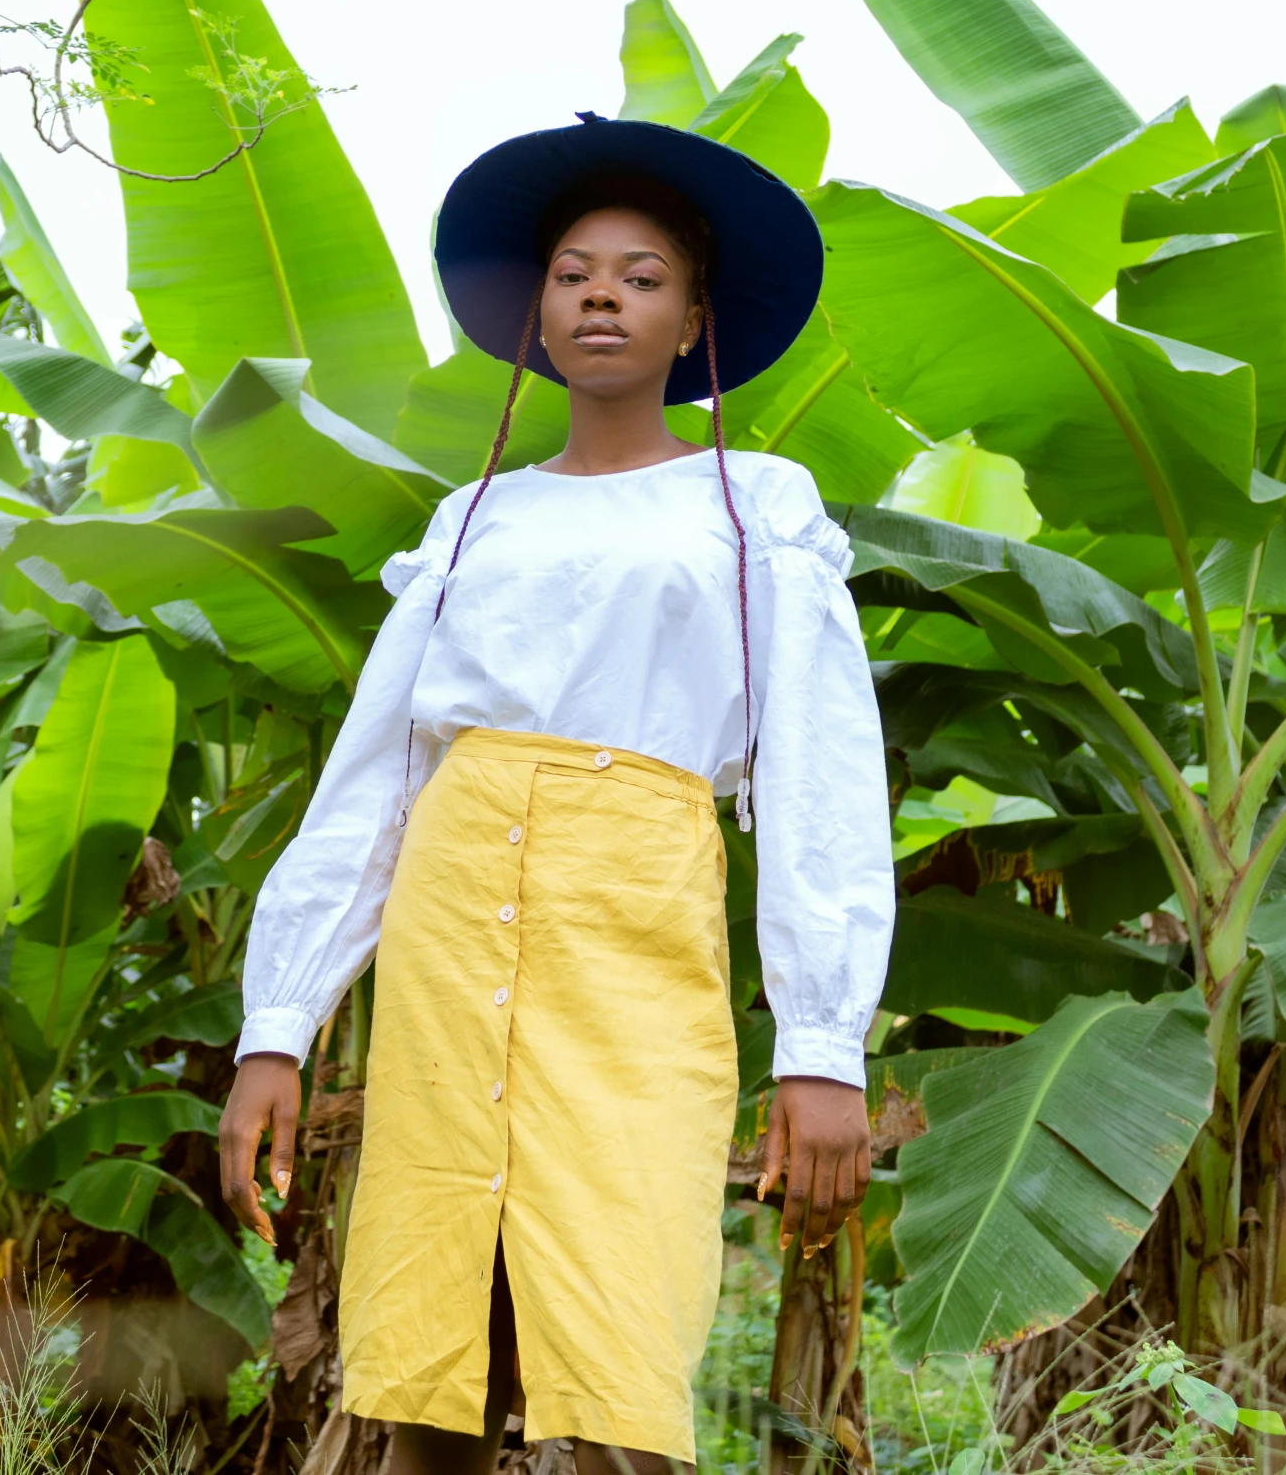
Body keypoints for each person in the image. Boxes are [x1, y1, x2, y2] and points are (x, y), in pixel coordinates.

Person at [219, 112, 894, 1475]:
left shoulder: (756, 506)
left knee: (622, 1347)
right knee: (430, 1352)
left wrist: (821, 1043)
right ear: (534, 305)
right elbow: (377, 777)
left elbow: (820, 771)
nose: (602, 293)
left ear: (696, 316)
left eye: (642, 274)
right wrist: (278, 1024)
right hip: (452, 923)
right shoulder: (474, 520)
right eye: (576, 269)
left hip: (633, 927)